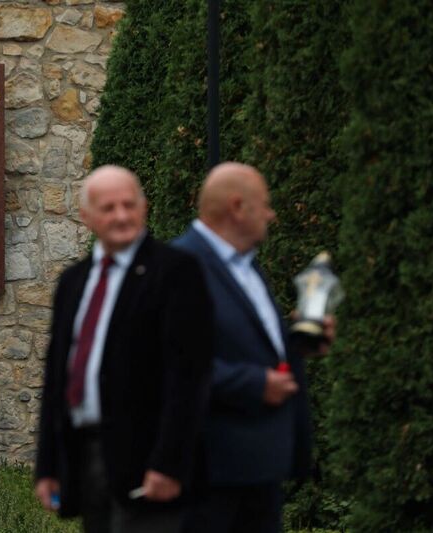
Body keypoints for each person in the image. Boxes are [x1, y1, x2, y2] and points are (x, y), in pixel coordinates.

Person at [35, 165, 214, 533]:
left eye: (129, 205)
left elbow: (188, 376)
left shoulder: (176, 272)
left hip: (147, 463)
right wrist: (48, 466)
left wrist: (168, 462)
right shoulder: (74, 282)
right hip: (89, 458)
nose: (121, 216)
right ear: (87, 217)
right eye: (109, 208)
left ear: (144, 207)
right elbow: (57, 378)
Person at [173, 162, 335, 533]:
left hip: (258, 471)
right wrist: (254, 384)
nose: (272, 214)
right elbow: (170, 367)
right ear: (236, 207)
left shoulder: (245, 266)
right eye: (264, 204)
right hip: (211, 477)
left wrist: (298, 341)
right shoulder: (182, 266)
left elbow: (245, 346)